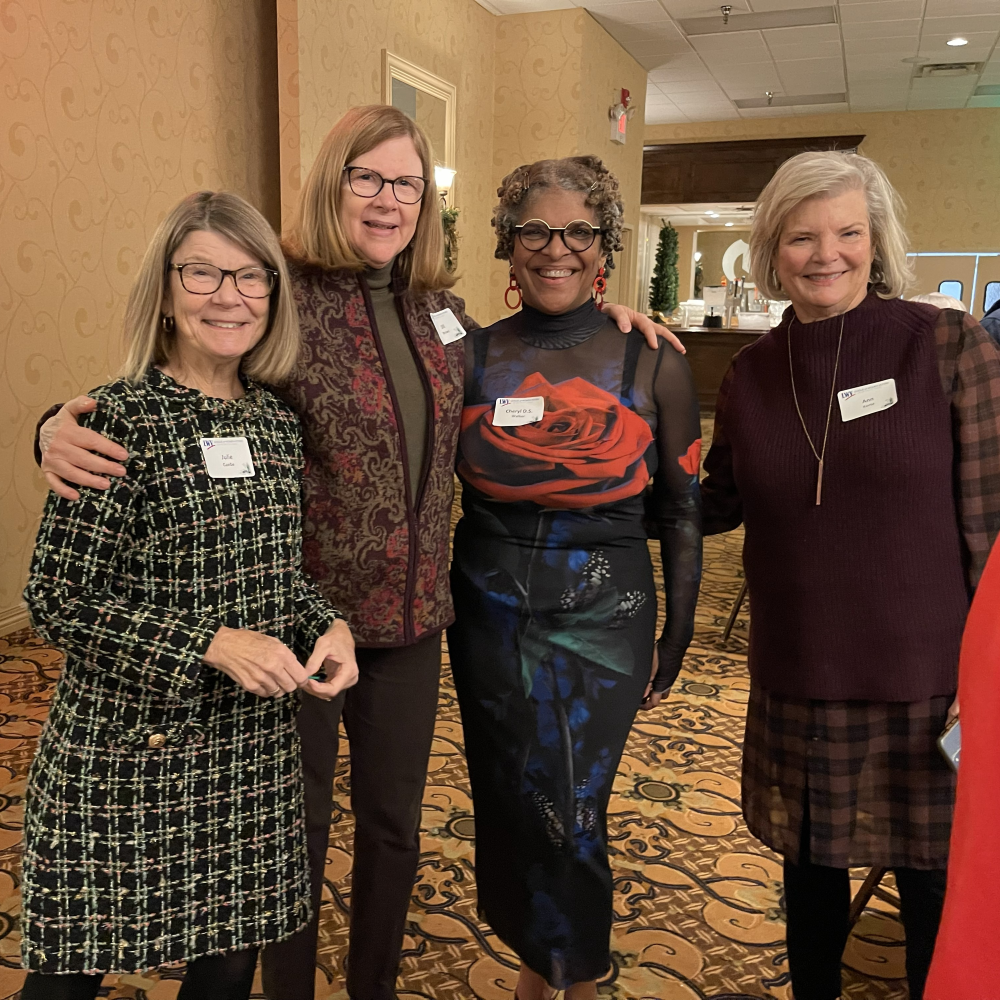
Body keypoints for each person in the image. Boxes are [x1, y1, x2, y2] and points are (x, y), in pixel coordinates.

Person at [33, 106, 681, 1000]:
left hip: (414, 620)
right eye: (366, 178)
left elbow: (528, 354)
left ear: (427, 202)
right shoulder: (282, 296)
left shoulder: (442, 314)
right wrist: (54, 427)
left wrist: (607, 318)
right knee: (287, 838)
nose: (387, 199)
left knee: (393, 830)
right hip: (298, 620)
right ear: (333, 183)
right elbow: (187, 378)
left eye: (407, 183)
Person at [20, 191, 358, 1000]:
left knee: (227, 967)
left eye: (250, 276)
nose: (228, 296)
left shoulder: (275, 423)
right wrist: (210, 643)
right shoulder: (117, 418)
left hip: (247, 754)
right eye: (202, 272)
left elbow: (274, 574)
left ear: (272, 294)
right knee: (67, 977)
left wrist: (329, 624)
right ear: (167, 292)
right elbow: (58, 596)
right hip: (125, 752)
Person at [699, 150, 1000, 1000]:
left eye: (848, 233)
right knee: (811, 879)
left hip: (928, 679)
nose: (827, 254)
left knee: (934, 883)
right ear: (772, 249)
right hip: (801, 672)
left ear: (877, 241)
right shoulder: (752, 373)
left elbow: (993, 522)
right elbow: (716, 503)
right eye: (802, 236)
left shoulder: (946, 345)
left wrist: (988, 673)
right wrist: (606, 468)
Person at [447, 156, 703, 1000]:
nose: (556, 248)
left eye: (579, 231)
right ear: (507, 243)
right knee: (513, 796)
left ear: (605, 246)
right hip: (487, 616)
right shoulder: (470, 354)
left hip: (606, 613)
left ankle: (579, 973)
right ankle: (538, 962)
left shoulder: (652, 360)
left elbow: (682, 509)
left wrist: (679, 631)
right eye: (535, 230)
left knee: (576, 803)